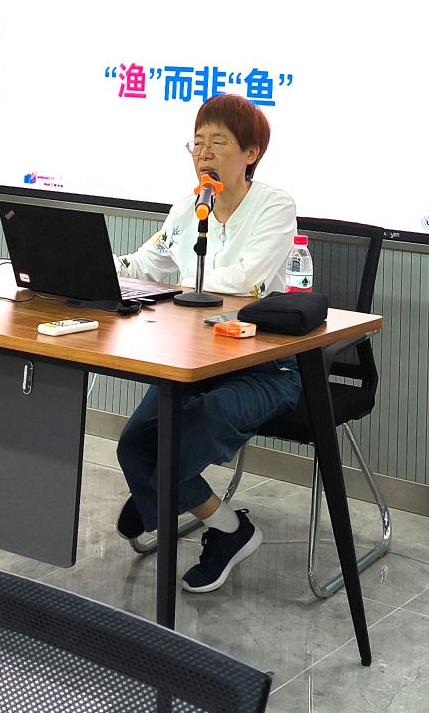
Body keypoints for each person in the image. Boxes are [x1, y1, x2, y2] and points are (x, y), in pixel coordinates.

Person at [112, 93, 300, 593]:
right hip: (196, 359)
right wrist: (99, 269)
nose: (204, 153)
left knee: (171, 447)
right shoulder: (189, 208)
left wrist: (178, 288)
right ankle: (228, 527)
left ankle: (159, 492)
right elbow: (147, 263)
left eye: (218, 142)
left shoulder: (275, 206)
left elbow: (244, 281)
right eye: (197, 143)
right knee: (133, 446)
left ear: (251, 153)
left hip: (264, 365)